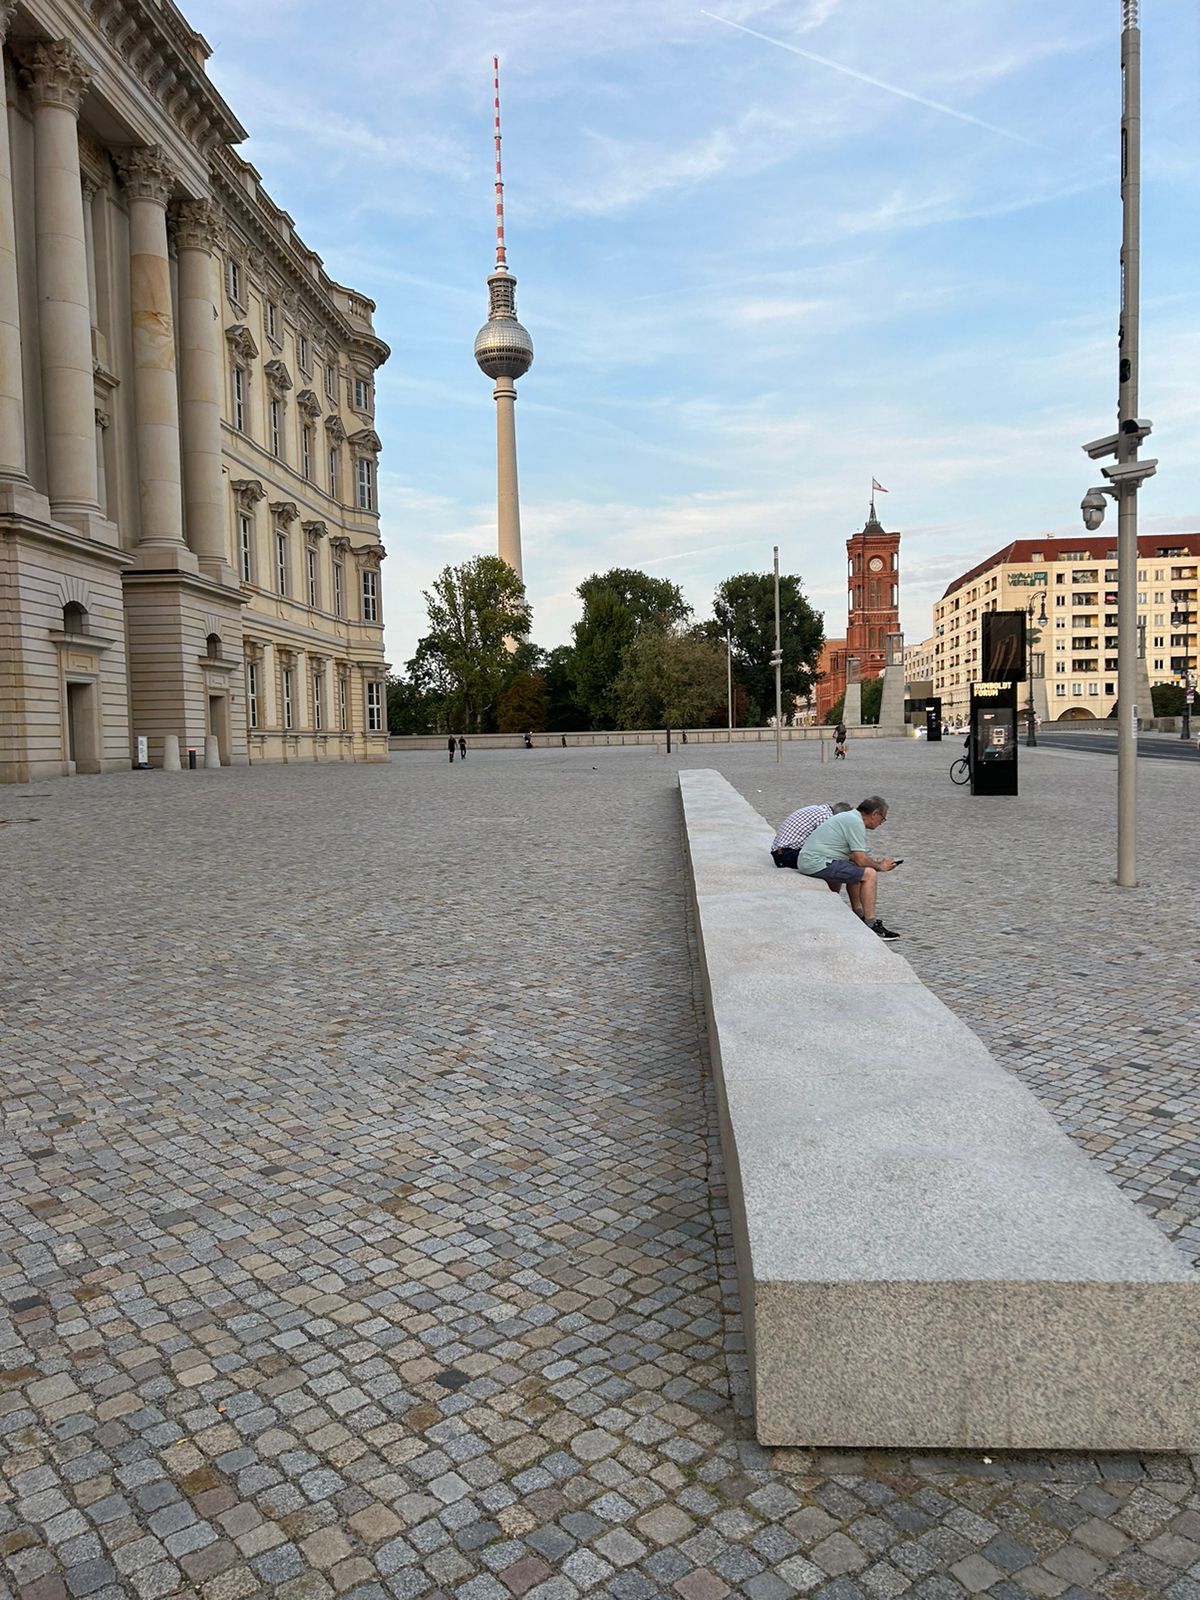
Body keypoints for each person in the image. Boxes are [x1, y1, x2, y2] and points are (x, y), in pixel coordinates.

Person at [795, 795, 900, 940]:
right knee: (869, 874)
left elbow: (855, 858)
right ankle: (871, 925)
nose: (881, 823)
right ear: (875, 814)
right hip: (815, 862)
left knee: (857, 868)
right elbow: (861, 859)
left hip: (811, 860)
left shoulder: (850, 817)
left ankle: (859, 915)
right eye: (882, 819)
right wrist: (880, 867)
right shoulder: (855, 822)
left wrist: (873, 862)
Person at [770, 801, 853, 869]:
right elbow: (829, 845)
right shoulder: (826, 818)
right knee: (834, 861)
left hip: (779, 852)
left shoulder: (819, 809)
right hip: (786, 855)